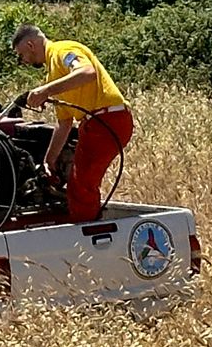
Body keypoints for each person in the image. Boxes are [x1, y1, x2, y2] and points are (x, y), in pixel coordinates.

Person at [8, 22, 133, 221]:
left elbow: (87, 72)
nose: (22, 61)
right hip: (97, 123)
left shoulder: (62, 51)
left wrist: (46, 91)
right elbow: (64, 123)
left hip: (106, 120)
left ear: (31, 45)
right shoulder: (53, 75)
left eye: (21, 55)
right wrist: (49, 160)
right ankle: (86, 224)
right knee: (81, 183)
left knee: (80, 187)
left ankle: (87, 239)